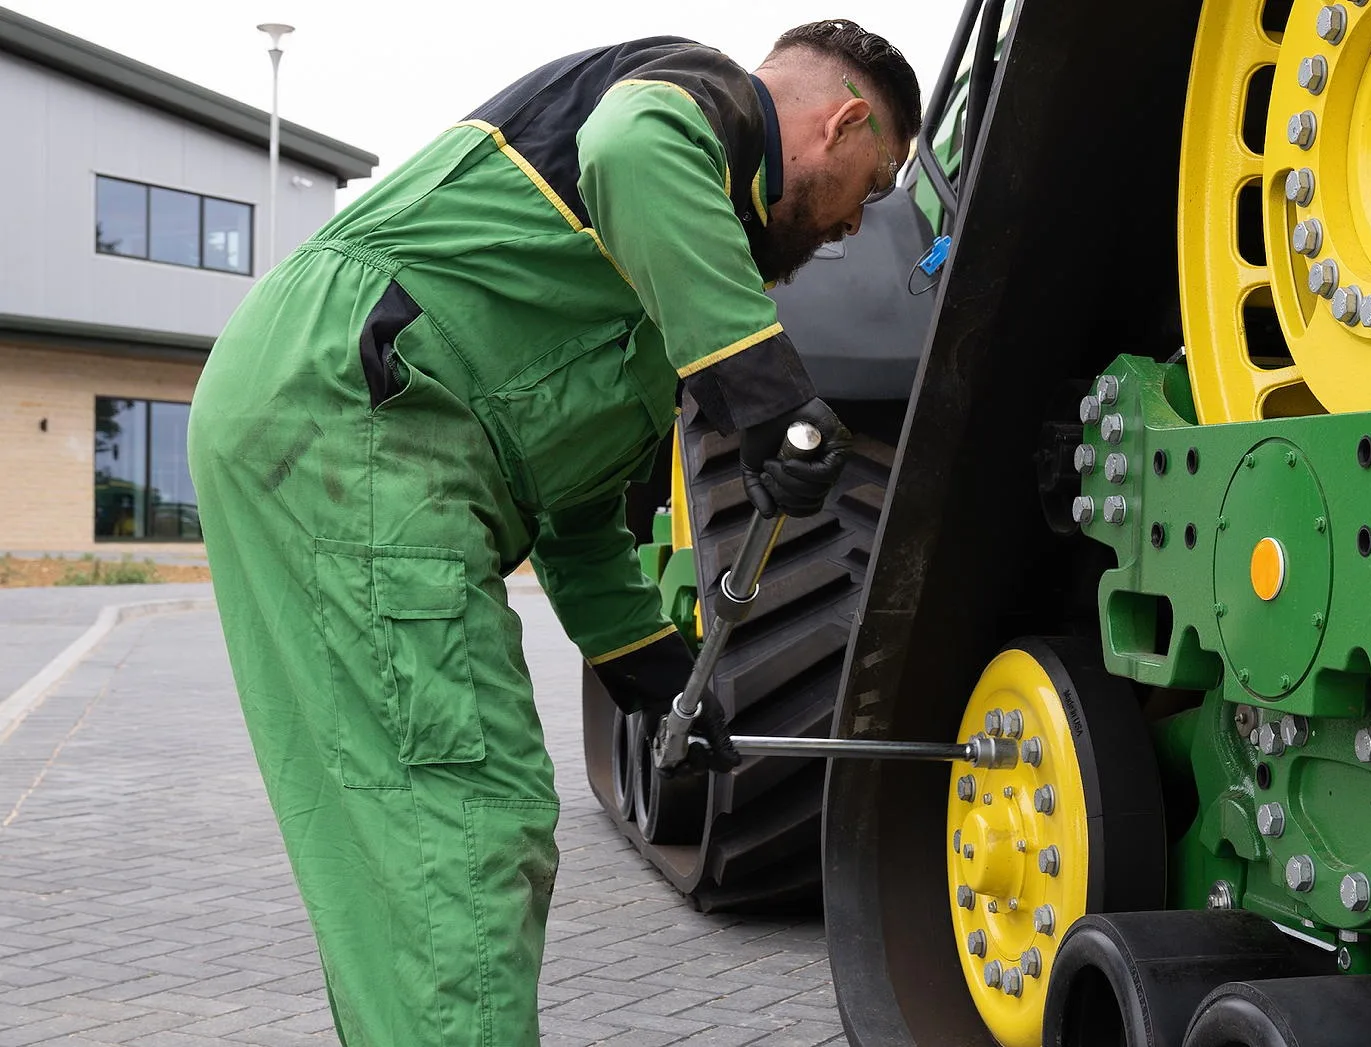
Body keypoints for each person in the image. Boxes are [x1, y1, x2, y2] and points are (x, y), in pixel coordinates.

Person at [185, 20, 921, 1045]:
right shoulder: (699, 102)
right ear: (841, 122)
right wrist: (763, 391)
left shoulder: (653, 285)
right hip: (354, 416)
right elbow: (631, 145)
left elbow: (573, 518)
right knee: (465, 824)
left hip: (344, 425)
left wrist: (656, 672)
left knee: (398, 848)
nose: (851, 228)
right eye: (871, 185)